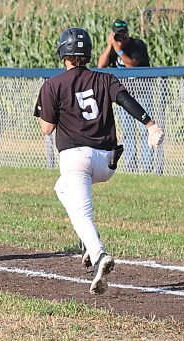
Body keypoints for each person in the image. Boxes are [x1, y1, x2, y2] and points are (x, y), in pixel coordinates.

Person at [34, 28, 164, 295]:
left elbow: (46, 129)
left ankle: (98, 255)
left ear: (63, 54)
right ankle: (88, 244)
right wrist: (150, 125)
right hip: (106, 161)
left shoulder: (53, 84)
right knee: (61, 189)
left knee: (82, 214)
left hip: (76, 159)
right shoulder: (105, 78)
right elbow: (126, 100)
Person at [97, 19, 154, 172]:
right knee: (128, 132)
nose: (121, 36)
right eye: (118, 33)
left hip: (143, 93)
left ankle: (147, 167)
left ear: (128, 32)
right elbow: (100, 66)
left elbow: (131, 65)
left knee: (145, 131)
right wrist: (111, 46)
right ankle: (130, 166)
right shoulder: (113, 47)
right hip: (124, 96)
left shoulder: (137, 45)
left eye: (123, 33)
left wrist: (120, 50)